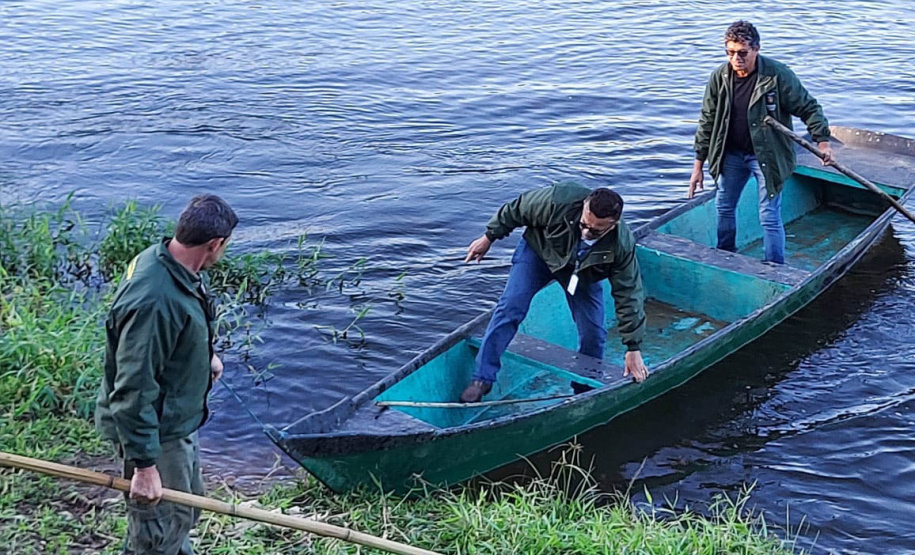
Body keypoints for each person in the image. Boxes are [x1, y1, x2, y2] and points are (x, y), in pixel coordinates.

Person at [95, 194, 237, 555]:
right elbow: (132, 387)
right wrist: (143, 465)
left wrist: (205, 357)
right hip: (153, 432)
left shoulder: (169, 262)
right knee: (158, 525)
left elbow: (170, 340)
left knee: (184, 508)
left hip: (174, 422)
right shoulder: (155, 300)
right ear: (214, 244)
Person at [459, 183, 648, 403]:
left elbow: (629, 294)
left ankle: (583, 390)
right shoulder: (558, 200)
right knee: (510, 307)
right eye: (584, 224)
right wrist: (489, 237)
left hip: (582, 274)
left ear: (613, 225)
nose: (586, 232)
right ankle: (482, 379)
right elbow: (516, 209)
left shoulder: (621, 245)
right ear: (584, 207)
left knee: (594, 332)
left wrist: (632, 347)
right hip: (539, 254)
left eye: (595, 230)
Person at [688, 20, 835, 264]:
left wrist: (823, 143)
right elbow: (707, 121)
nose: (736, 59)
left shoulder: (777, 75)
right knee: (723, 206)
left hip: (767, 156)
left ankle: (774, 267)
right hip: (731, 156)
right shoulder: (719, 78)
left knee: (768, 214)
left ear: (756, 49)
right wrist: (698, 166)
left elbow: (809, 108)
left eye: (742, 53)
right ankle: (725, 257)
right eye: (730, 52)